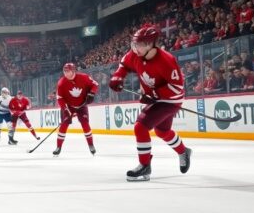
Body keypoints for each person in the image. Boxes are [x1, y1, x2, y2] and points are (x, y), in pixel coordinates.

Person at [110, 25, 192, 181]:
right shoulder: (136, 54)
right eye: (134, 44)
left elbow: (176, 88)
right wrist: (118, 77)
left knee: (140, 126)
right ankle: (183, 151)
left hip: (170, 100)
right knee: (162, 131)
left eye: (139, 44)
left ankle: (144, 165)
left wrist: (154, 94)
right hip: (155, 98)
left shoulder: (167, 60)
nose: (135, 48)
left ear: (150, 44)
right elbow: (124, 64)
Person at [54, 63, 98, 156]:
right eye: (64, 71)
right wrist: (65, 110)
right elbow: (60, 98)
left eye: (68, 71)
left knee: (85, 124)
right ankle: (58, 147)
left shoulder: (84, 77)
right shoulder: (61, 83)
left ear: (73, 70)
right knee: (64, 125)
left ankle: (91, 144)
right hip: (68, 106)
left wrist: (92, 93)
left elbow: (95, 84)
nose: (65, 73)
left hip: (82, 106)